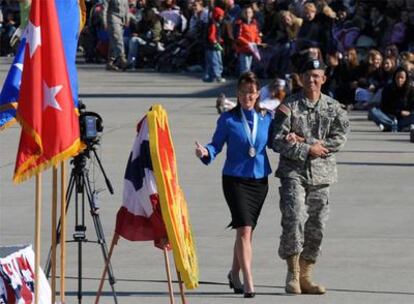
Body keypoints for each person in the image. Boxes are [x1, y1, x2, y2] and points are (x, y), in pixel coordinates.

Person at [269, 59, 349, 295]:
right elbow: (277, 140)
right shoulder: (289, 106)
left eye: (317, 76)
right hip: (293, 173)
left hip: (322, 175)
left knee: (317, 226)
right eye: (308, 75)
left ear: (323, 79)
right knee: (294, 219)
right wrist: (305, 149)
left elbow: (340, 138)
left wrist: (307, 142)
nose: (312, 80)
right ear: (301, 78)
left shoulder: (334, 108)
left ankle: (306, 275)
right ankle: (292, 274)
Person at [195, 72, 272, 298]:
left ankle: (234, 274)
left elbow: (277, 140)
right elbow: (215, 145)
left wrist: (291, 138)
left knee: (246, 233)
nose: (247, 96)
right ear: (237, 94)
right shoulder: (228, 119)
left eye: (251, 92)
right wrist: (205, 152)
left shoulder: (267, 118)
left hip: (259, 180)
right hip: (235, 180)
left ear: (257, 94)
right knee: (245, 229)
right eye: (243, 92)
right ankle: (249, 282)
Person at [368, 67, 414, 131]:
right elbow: (384, 107)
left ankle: (391, 127)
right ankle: (394, 126)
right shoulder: (388, 89)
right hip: (390, 117)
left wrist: (409, 112)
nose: (399, 80)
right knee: (373, 111)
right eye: (397, 77)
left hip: (405, 118)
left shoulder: (411, 90)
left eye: (402, 78)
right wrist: (399, 112)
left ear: (406, 79)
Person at [103, 0, 130, 71]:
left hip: (122, 20)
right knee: (118, 39)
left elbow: (127, 8)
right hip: (112, 19)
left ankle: (110, 62)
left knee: (114, 41)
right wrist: (104, 21)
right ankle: (122, 59)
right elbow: (104, 9)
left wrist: (127, 19)